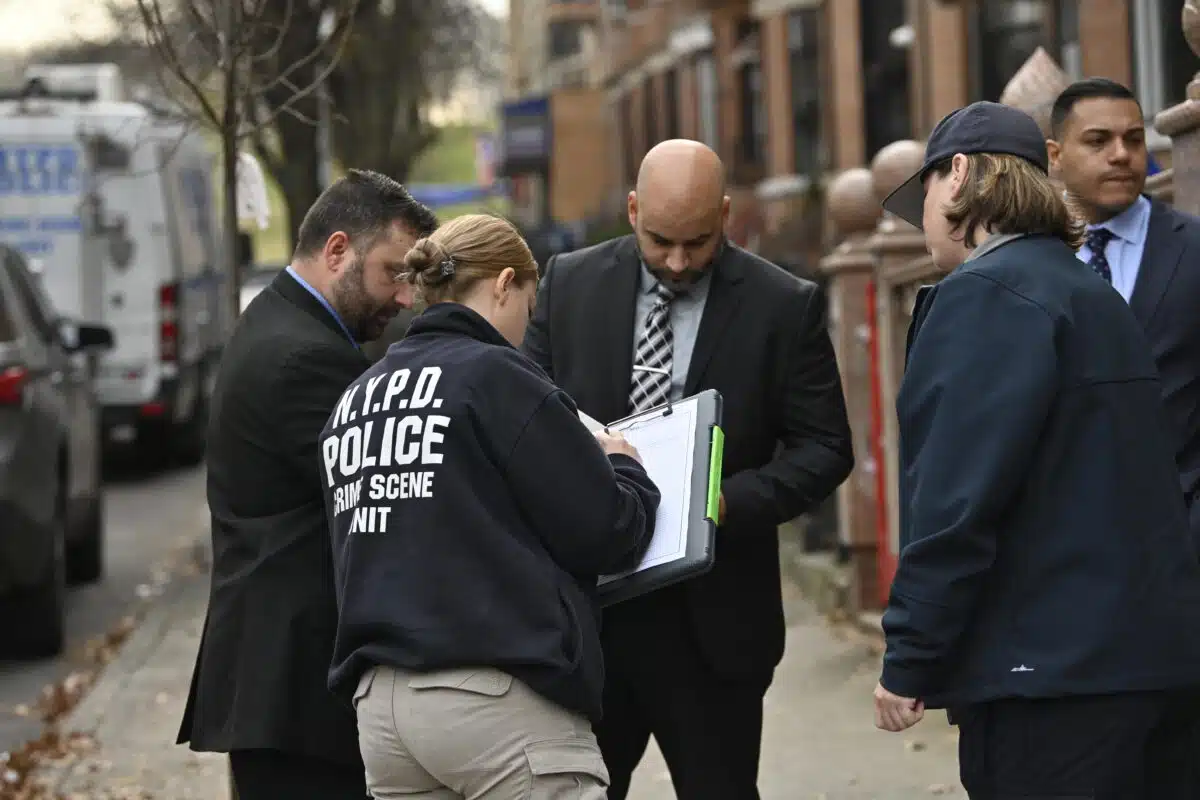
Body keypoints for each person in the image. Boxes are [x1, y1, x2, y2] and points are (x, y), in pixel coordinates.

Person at [875, 100, 1200, 798]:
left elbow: (957, 501)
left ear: (956, 174)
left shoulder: (984, 296)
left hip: (1047, 687)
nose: (921, 221)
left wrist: (910, 653)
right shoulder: (1091, 293)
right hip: (1149, 670)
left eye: (924, 193)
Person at [522, 139, 854, 799]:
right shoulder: (568, 284)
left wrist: (724, 503)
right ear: (633, 209)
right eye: (660, 241)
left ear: (726, 214)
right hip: (594, 621)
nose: (677, 262)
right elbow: (525, 423)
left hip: (715, 627)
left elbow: (825, 449)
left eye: (699, 243)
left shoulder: (782, 305)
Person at [320, 213, 661, 798]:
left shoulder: (355, 399)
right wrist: (624, 465)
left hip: (381, 709)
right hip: (494, 702)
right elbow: (608, 530)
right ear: (505, 283)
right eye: (529, 307)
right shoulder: (496, 375)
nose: (527, 330)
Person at [178, 169, 438, 798]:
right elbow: (387, 497)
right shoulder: (307, 358)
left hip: (278, 689)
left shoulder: (279, 321)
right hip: (293, 690)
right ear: (338, 250)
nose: (404, 298)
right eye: (393, 272)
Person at [1048, 77, 1200, 542]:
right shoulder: (1027, 262)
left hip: (1180, 538)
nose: (1121, 154)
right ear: (1055, 156)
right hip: (1063, 548)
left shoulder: (1193, 250)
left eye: (1133, 140)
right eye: (1098, 141)